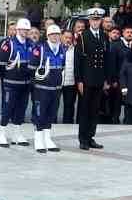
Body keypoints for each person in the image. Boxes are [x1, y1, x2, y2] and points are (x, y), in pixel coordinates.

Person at [27, 23, 67, 153]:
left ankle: (47, 138)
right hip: (41, 88)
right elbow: (31, 69)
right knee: (40, 114)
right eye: (52, 34)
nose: (55, 37)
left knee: (51, 114)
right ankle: (38, 139)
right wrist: (34, 86)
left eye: (57, 34)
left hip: (55, 89)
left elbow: (62, 67)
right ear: (48, 36)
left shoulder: (62, 49)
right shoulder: (40, 49)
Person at [75, 8, 110, 149]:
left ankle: (90, 137)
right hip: (87, 79)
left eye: (98, 20)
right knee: (85, 110)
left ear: (100, 21)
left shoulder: (104, 35)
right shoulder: (83, 36)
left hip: (99, 78)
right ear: (89, 21)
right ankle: (83, 139)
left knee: (95, 110)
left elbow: (106, 59)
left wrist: (106, 79)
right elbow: (78, 61)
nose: (95, 22)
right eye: (93, 20)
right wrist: (79, 80)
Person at [0, 18, 33, 149]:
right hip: (11, 82)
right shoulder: (9, 43)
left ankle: (17, 134)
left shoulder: (31, 44)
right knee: (7, 108)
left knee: (21, 109)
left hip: (26, 82)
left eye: (27, 30)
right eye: (23, 29)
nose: (25, 32)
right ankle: (1, 133)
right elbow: (0, 63)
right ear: (17, 29)